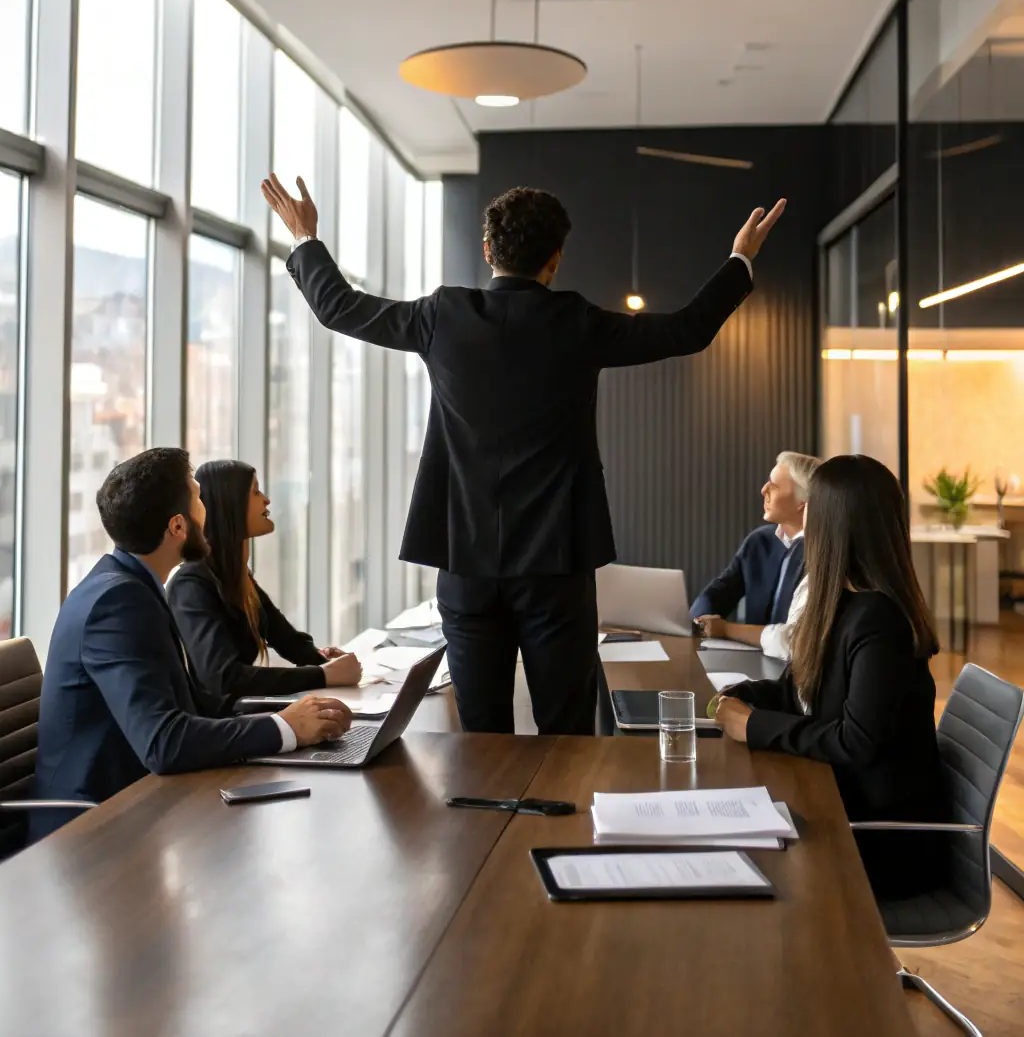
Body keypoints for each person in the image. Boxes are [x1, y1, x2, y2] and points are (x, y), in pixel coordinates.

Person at [263, 172, 785, 737]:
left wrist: (305, 239)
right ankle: (561, 825)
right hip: (556, 565)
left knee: (482, 734)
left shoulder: (442, 316)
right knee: (566, 733)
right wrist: (740, 259)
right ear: (556, 259)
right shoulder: (578, 324)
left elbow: (340, 307)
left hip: (466, 561)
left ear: (488, 251)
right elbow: (688, 329)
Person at [30, 449, 351, 841]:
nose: (208, 513)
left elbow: (193, 701)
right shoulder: (117, 604)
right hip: (88, 832)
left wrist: (292, 715)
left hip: (138, 805)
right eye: (200, 500)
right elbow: (164, 742)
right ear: (178, 527)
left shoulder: (132, 586)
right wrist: (283, 727)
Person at [713, 455, 944, 897]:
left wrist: (754, 726)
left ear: (834, 525)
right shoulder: (842, 603)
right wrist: (746, 695)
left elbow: (856, 741)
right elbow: (804, 691)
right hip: (846, 808)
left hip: (880, 841)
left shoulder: (879, 620)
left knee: (738, 866)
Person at [169, 460, 362, 700]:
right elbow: (225, 677)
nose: (266, 500)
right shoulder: (191, 584)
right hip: (222, 727)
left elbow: (287, 639)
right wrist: (323, 675)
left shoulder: (236, 576)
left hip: (243, 716)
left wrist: (324, 660)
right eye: (255, 492)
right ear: (232, 503)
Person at [689, 452, 819, 649]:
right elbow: (718, 592)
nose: (763, 490)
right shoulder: (760, 541)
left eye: (773, 486)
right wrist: (697, 622)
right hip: (752, 657)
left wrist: (725, 628)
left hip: (792, 664)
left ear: (802, 501)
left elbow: (795, 640)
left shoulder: (822, 554)